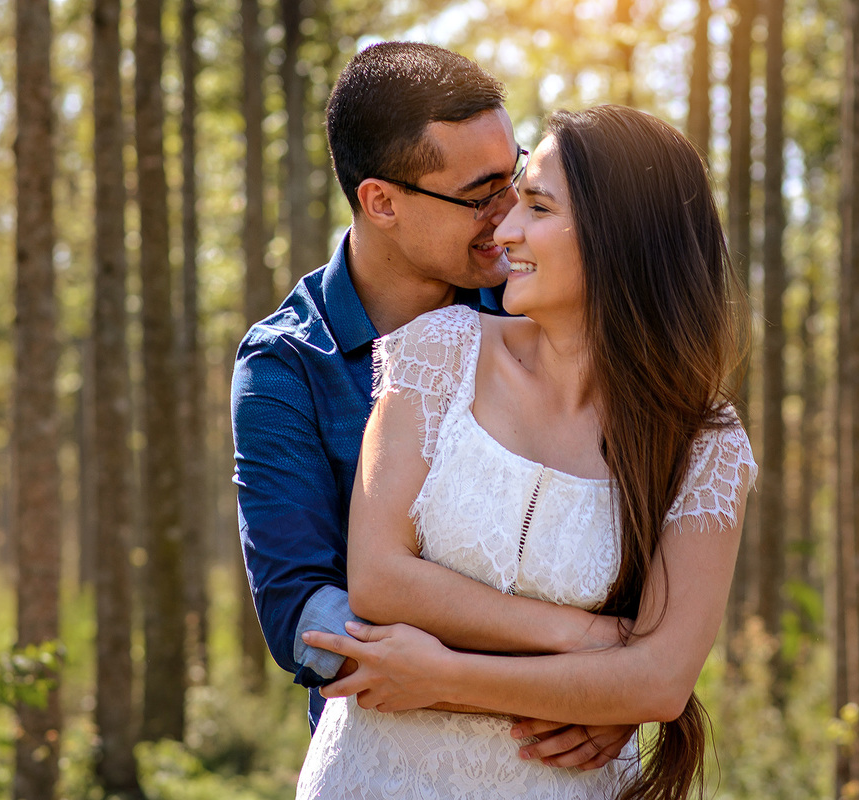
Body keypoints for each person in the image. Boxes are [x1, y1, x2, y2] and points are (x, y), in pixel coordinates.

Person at [296, 105, 758, 799]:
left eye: (536, 207)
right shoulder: (436, 351)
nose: (504, 230)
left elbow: (660, 681)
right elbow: (379, 579)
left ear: (619, 237)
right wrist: (592, 648)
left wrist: (445, 676)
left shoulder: (705, 446)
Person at [232, 42, 633, 767]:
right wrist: (584, 689)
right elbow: (309, 621)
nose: (512, 217)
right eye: (481, 195)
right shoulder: (286, 366)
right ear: (380, 201)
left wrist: (622, 686)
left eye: (515, 177)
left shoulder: (542, 307)